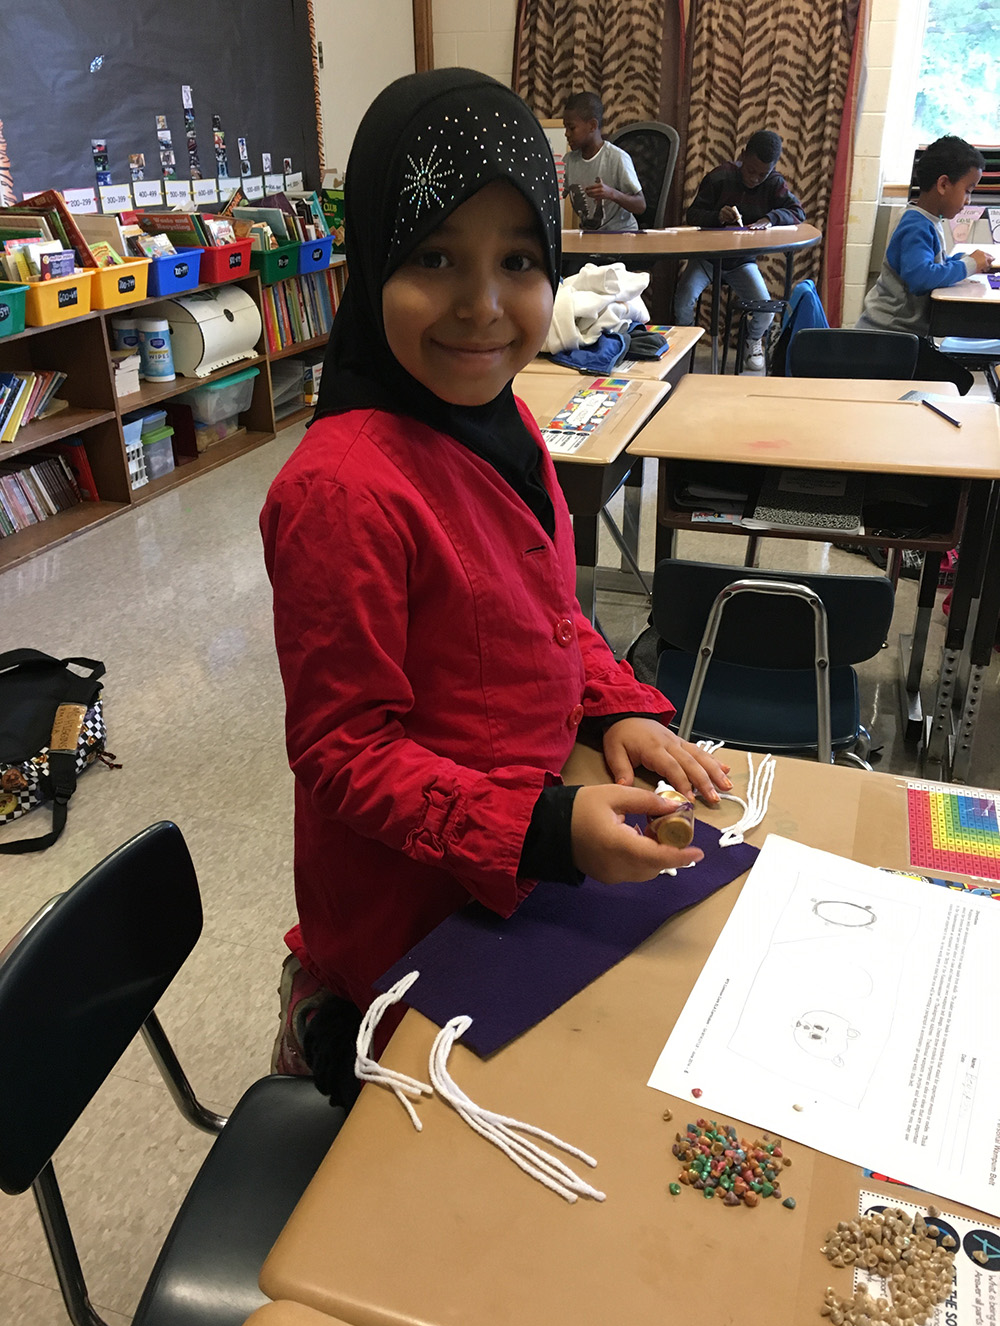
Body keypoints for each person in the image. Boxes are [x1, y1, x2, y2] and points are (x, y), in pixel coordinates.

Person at [260, 69, 730, 1103]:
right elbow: (343, 750)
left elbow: (547, 611)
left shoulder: (502, 419)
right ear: (372, 259)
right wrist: (541, 830)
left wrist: (616, 705)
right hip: (414, 936)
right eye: (434, 257)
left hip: (514, 879)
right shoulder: (341, 491)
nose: (481, 307)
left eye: (518, 262)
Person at [856, 134, 992, 390]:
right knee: (958, 381)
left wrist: (963, 261)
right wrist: (968, 265)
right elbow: (921, 277)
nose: (969, 200)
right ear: (943, 184)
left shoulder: (927, 219)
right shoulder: (916, 225)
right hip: (886, 339)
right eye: (968, 190)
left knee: (956, 379)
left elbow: (933, 264)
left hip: (900, 337)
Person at [674, 130, 805, 371]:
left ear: (773, 168)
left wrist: (770, 218)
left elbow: (798, 212)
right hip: (707, 258)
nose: (755, 178)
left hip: (742, 262)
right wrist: (716, 216)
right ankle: (686, 344)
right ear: (742, 156)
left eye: (762, 174)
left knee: (765, 309)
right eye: (750, 170)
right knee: (683, 301)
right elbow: (692, 215)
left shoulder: (774, 183)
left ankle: (753, 340)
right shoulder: (720, 177)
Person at [562, 91, 645, 233]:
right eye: (565, 128)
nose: (566, 133)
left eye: (572, 128)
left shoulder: (617, 158)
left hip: (621, 235)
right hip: (589, 236)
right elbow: (555, 194)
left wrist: (612, 193)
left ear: (592, 126)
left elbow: (641, 205)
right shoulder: (569, 161)